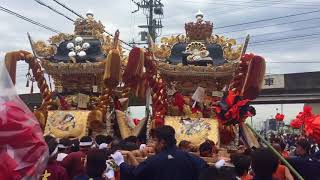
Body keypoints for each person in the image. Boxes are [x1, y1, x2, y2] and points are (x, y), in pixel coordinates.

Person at [111, 125, 208, 180]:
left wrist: (121, 163)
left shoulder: (154, 160)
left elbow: (135, 174)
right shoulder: (189, 157)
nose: (153, 144)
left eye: (155, 141)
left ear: (162, 142)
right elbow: (206, 169)